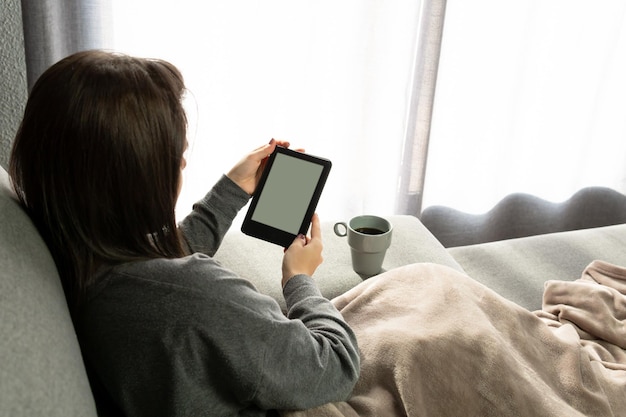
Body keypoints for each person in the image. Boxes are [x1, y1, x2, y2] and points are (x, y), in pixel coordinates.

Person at [9, 50, 360, 417]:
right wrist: (299, 279)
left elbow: (161, 267)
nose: (183, 162)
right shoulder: (202, 297)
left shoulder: (85, 257)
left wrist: (231, 189)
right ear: (136, 182)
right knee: (419, 298)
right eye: (174, 154)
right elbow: (337, 366)